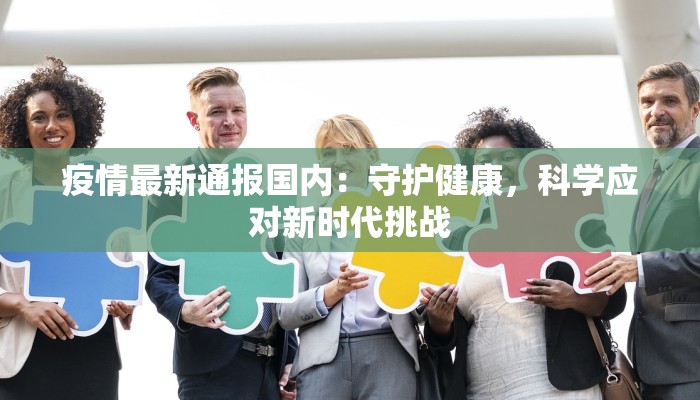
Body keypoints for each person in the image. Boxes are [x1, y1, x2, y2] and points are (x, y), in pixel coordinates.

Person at [422, 107, 627, 399]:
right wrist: (439, 321)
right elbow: (443, 336)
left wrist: (572, 298)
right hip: (482, 391)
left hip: (563, 390)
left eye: (507, 157)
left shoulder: (572, 215)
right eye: (484, 162)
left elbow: (614, 298)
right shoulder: (459, 239)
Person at [145, 66, 297, 400]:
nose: (230, 121)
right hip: (211, 369)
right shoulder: (173, 186)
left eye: (237, 110)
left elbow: (283, 273)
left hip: (273, 371)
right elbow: (158, 277)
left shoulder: (271, 186)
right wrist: (185, 310)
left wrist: (291, 356)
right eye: (216, 112)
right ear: (194, 120)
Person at [0, 56, 134, 400]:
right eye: (39, 117)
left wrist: (125, 304)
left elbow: (121, 267)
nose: (52, 126)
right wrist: (23, 305)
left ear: (78, 123)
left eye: (62, 115)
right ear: (23, 127)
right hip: (25, 354)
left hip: (93, 352)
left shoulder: (107, 190)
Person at [277, 114, 420, 400]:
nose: (339, 161)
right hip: (322, 362)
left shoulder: (403, 218)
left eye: (349, 150)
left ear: (372, 155)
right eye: (328, 153)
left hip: (389, 351)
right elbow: (285, 313)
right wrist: (332, 291)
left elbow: (421, 299)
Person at [585, 61, 700, 400]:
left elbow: (644, 265)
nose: (656, 111)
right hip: (654, 362)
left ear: (695, 110)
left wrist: (640, 266)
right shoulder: (655, 176)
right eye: (647, 102)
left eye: (670, 101)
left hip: (692, 362)